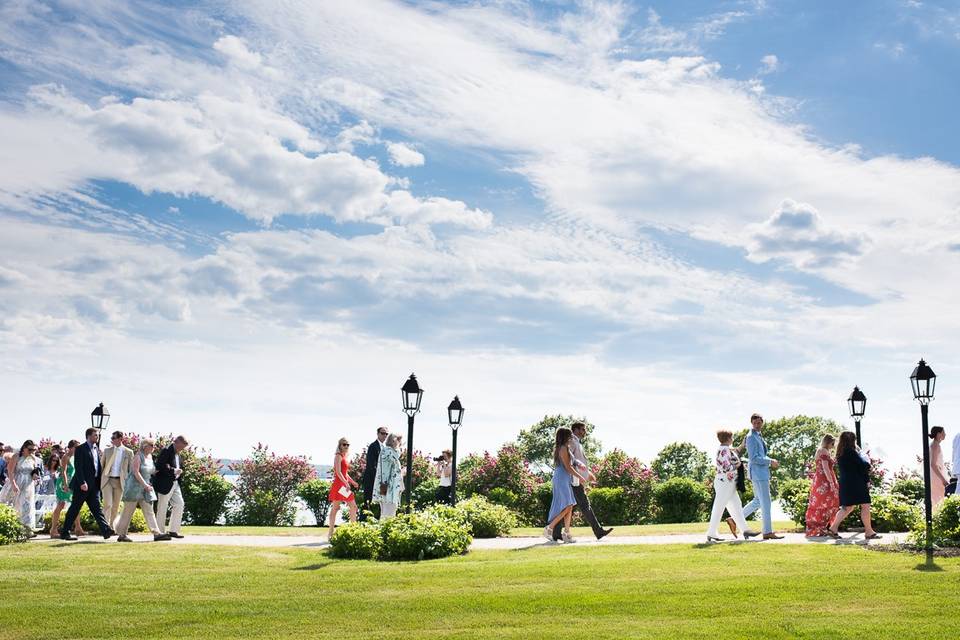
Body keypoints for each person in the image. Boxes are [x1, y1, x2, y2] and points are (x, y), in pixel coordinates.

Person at [552, 422, 613, 541]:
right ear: (575, 430)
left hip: (575, 479)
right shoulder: (572, 442)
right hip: (573, 481)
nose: (584, 432)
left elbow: (577, 461)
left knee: (570, 507)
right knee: (582, 506)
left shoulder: (576, 443)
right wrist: (578, 476)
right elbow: (569, 462)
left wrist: (588, 474)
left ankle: (556, 532)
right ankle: (598, 531)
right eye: (582, 430)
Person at [60, 428, 113, 540]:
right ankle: (65, 532)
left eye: (97, 435)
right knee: (75, 509)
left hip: (94, 486)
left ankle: (106, 530)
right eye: (95, 435)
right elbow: (78, 467)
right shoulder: (80, 449)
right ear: (88, 436)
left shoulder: (96, 449)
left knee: (97, 509)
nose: (97, 437)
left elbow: (97, 468)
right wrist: (82, 482)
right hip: (82, 486)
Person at [826, 431, 880, 540]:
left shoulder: (840, 452)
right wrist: (866, 462)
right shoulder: (851, 452)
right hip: (856, 482)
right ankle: (869, 531)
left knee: (847, 507)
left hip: (846, 482)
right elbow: (862, 467)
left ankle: (833, 528)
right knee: (865, 505)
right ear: (852, 440)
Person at [706, 429, 757, 542]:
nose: (732, 439)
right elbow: (726, 467)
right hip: (725, 483)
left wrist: (742, 446)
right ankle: (711, 532)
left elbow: (735, 452)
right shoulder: (724, 450)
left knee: (736, 506)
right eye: (731, 437)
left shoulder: (725, 449)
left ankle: (745, 530)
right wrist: (738, 465)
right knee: (719, 507)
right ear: (728, 439)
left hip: (727, 483)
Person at [116, 439, 169, 542]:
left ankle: (156, 533)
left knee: (149, 511)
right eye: (152, 445)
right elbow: (136, 472)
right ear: (145, 446)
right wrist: (145, 485)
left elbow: (151, 471)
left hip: (146, 488)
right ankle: (121, 535)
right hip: (134, 488)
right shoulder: (138, 456)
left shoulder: (150, 457)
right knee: (127, 512)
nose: (154, 447)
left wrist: (165, 468)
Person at [741, 413, 783, 540]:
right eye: (755, 423)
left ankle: (734, 518)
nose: (757, 425)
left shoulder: (757, 436)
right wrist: (770, 461)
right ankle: (767, 532)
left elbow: (760, 455)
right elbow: (754, 458)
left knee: (758, 501)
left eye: (759, 423)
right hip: (759, 474)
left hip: (760, 473)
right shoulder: (751, 437)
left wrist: (770, 460)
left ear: (762, 423)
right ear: (752, 423)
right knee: (766, 502)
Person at [542, 428, 588, 543]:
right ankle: (549, 528)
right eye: (570, 435)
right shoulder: (562, 448)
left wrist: (580, 464)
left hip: (565, 478)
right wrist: (581, 477)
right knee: (568, 505)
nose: (572, 437)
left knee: (570, 505)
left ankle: (567, 534)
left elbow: (573, 461)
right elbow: (568, 467)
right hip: (561, 478)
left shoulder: (565, 448)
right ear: (565, 436)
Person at [0, 440, 41, 536]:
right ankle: (13, 528)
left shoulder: (33, 458)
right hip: (17, 482)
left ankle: (27, 530)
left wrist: (35, 475)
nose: (32, 451)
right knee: (15, 505)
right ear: (24, 448)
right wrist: (13, 484)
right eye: (30, 449)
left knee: (27, 506)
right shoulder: (16, 457)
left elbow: (33, 470)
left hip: (28, 485)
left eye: (34, 449)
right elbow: (10, 471)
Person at [154, 435, 189, 539]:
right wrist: (173, 470)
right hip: (165, 483)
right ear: (176, 442)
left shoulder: (178, 454)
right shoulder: (166, 451)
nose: (182, 449)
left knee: (179, 504)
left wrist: (179, 471)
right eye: (181, 447)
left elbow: (178, 466)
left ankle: (173, 530)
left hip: (175, 483)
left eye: (183, 448)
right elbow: (160, 466)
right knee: (162, 507)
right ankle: (159, 533)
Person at [804, 434, 839, 537]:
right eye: (832, 443)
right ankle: (820, 528)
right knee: (824, 503)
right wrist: (832, 483)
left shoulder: (823, 451)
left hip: (823, 480)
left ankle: (823, 528)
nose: (833, 445)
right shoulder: (823, 451)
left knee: (825, 504)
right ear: (828, 442)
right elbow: (825, 468)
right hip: (824, 481)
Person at [49, 440, 85, 539]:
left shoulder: (75, 457)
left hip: (72, 483)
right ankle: (53, 530)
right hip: (63, 483)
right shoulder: (66, 457)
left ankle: (78, 528)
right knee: (61, 504)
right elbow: (63, 471)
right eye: (76, 447)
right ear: (71, 447)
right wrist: (65, 485)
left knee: (75, 505)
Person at [100, 430, 133, 530]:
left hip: (120, 482)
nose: (112, 440)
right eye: (111, 438)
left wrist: (129, 484)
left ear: (120, 439)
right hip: (107, 480)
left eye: (114, 438)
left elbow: (130, 470)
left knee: (115, 507)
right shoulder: (107, 450)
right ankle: (105, 528)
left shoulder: (128, 452)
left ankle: (112, 527)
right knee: (107, 504)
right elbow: (102, 466)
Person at [327, 437, 360, 536]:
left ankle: (353, 530)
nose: (346, 446)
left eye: (347, 445)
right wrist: (346, 483)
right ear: (340, 445)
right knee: (336, 508)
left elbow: (345, 473)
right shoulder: (338, 456)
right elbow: (338, 472)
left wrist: (352, 482)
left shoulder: (345, 457)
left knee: (353, 506)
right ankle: (331, 531)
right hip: (339, 486)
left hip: (343, 485)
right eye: (344, 444)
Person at [361, 427, 389, 519]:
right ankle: (363, 522)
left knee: (383, 501)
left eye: (386, 434)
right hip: (371, 479)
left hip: (383, 481)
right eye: (383, 433)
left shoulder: (385, 448)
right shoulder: (373, 446)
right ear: (377, 434)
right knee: (368, 501)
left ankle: (380, 520)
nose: (384, 435)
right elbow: (371, 464)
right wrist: (378, 479)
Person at [375, 434, 404, 520]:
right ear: (395, 441)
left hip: (385, 486)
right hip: (390, 488)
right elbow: (396, 471)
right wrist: (403, 471)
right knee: (389, 513)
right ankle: (386, 532)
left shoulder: (384, 450)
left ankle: (383, 531)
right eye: (399, 441)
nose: (400, 444)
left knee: (385, 512)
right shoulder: (390, 452)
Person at [929, 427, 950, 509]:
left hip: (935, 475)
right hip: (937, 476)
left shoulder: (934, 444)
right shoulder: (935, 445)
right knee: (939, 499)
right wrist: (943, 479)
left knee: (937, 499)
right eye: (943, 432)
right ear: (938, 434)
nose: (945, 434)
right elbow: (933, 464)